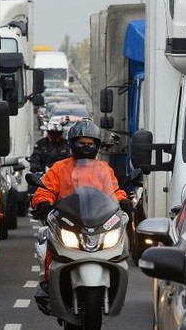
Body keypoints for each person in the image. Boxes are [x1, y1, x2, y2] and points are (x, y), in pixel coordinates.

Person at [30, 119, 131, 314]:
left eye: (89, 143)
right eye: (81, 143)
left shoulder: (103, 169)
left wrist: (123, 200)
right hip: (68, 220)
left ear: (96, 145)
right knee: (52, 246)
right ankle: (48, 285)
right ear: (72, 144)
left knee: (120, 249)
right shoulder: (60, 168)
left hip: (98, 222)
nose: (85, 147)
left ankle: (113, 284)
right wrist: (42, 201)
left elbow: (114, 190)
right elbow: (45, 190)